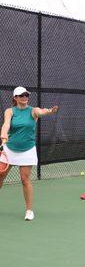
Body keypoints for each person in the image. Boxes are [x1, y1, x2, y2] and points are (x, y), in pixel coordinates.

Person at [0, 86, 58, 221]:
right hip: (10, 148)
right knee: (0, 176)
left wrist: (49, 111)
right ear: (15, 98)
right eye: (21, 95)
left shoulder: (33, 111)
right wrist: (3, 134)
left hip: (27, 150)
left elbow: (41, 112)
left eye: (26, 95)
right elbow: (6, 124)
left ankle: (29, 210)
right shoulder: (10, 111)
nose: (25, 97)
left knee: (25, 180)